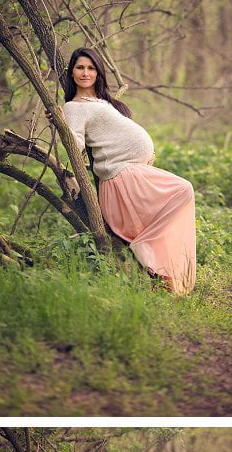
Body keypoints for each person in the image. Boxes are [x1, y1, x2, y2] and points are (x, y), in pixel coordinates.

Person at [61, 47, 196, 294]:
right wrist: (59, 122)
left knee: (178, 198)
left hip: (132, 173)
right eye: (80, 67)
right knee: (182, 190)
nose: (85, 73)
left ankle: (162, 276)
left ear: (98, 72)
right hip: (121, 179)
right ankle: (146, 253)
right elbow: (75, 144)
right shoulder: (74, 107)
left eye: (91, 68)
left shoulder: (100, 101)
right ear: (71, 72)